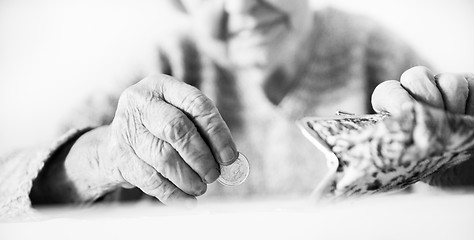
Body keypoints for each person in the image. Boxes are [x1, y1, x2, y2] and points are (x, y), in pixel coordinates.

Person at [0, 0, 472, 217]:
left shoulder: (373, 49)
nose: (244, 7)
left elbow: (459, 159)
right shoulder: (161, 66)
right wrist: (100, 157)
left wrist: (460, 162)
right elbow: (8, 193)